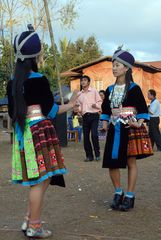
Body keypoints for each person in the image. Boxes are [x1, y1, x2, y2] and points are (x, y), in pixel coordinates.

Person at [7, 27, 78, 238]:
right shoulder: (38, 79)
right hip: (40, 132)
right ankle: (34, 226)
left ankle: (29, 220)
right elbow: (52, 110)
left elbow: (13, 112)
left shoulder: (13, 82)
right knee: (40, 181)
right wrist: (73, 103)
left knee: (42, 179)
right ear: (36, 55)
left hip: (24, 133)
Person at [100, 48, 153, 211]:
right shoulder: (109, 89)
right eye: (113, 65)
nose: (114, 68)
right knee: (111, 163)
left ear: (126, 68)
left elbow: (143, 109)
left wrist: (139, 122)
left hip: (129, 129)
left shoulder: (134, 88)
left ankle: (130, 195)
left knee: (131, 162)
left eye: (117, 65)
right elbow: (106, 110)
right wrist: (104, 122)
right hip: (114, 128)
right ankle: (118, 192)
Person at [76, 75, 102, 161]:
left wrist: (96, 105)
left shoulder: (94, 91)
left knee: (94, 135)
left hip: (94, 115)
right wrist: (79, 111)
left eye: (85, 80)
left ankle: (97, 154)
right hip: (85, 117)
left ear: (88, 82)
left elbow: (100, 101)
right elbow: (78, 105)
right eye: (81, 80)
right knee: (86, 137)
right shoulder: (79, 94)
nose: (83, 82)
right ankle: (89, 156)